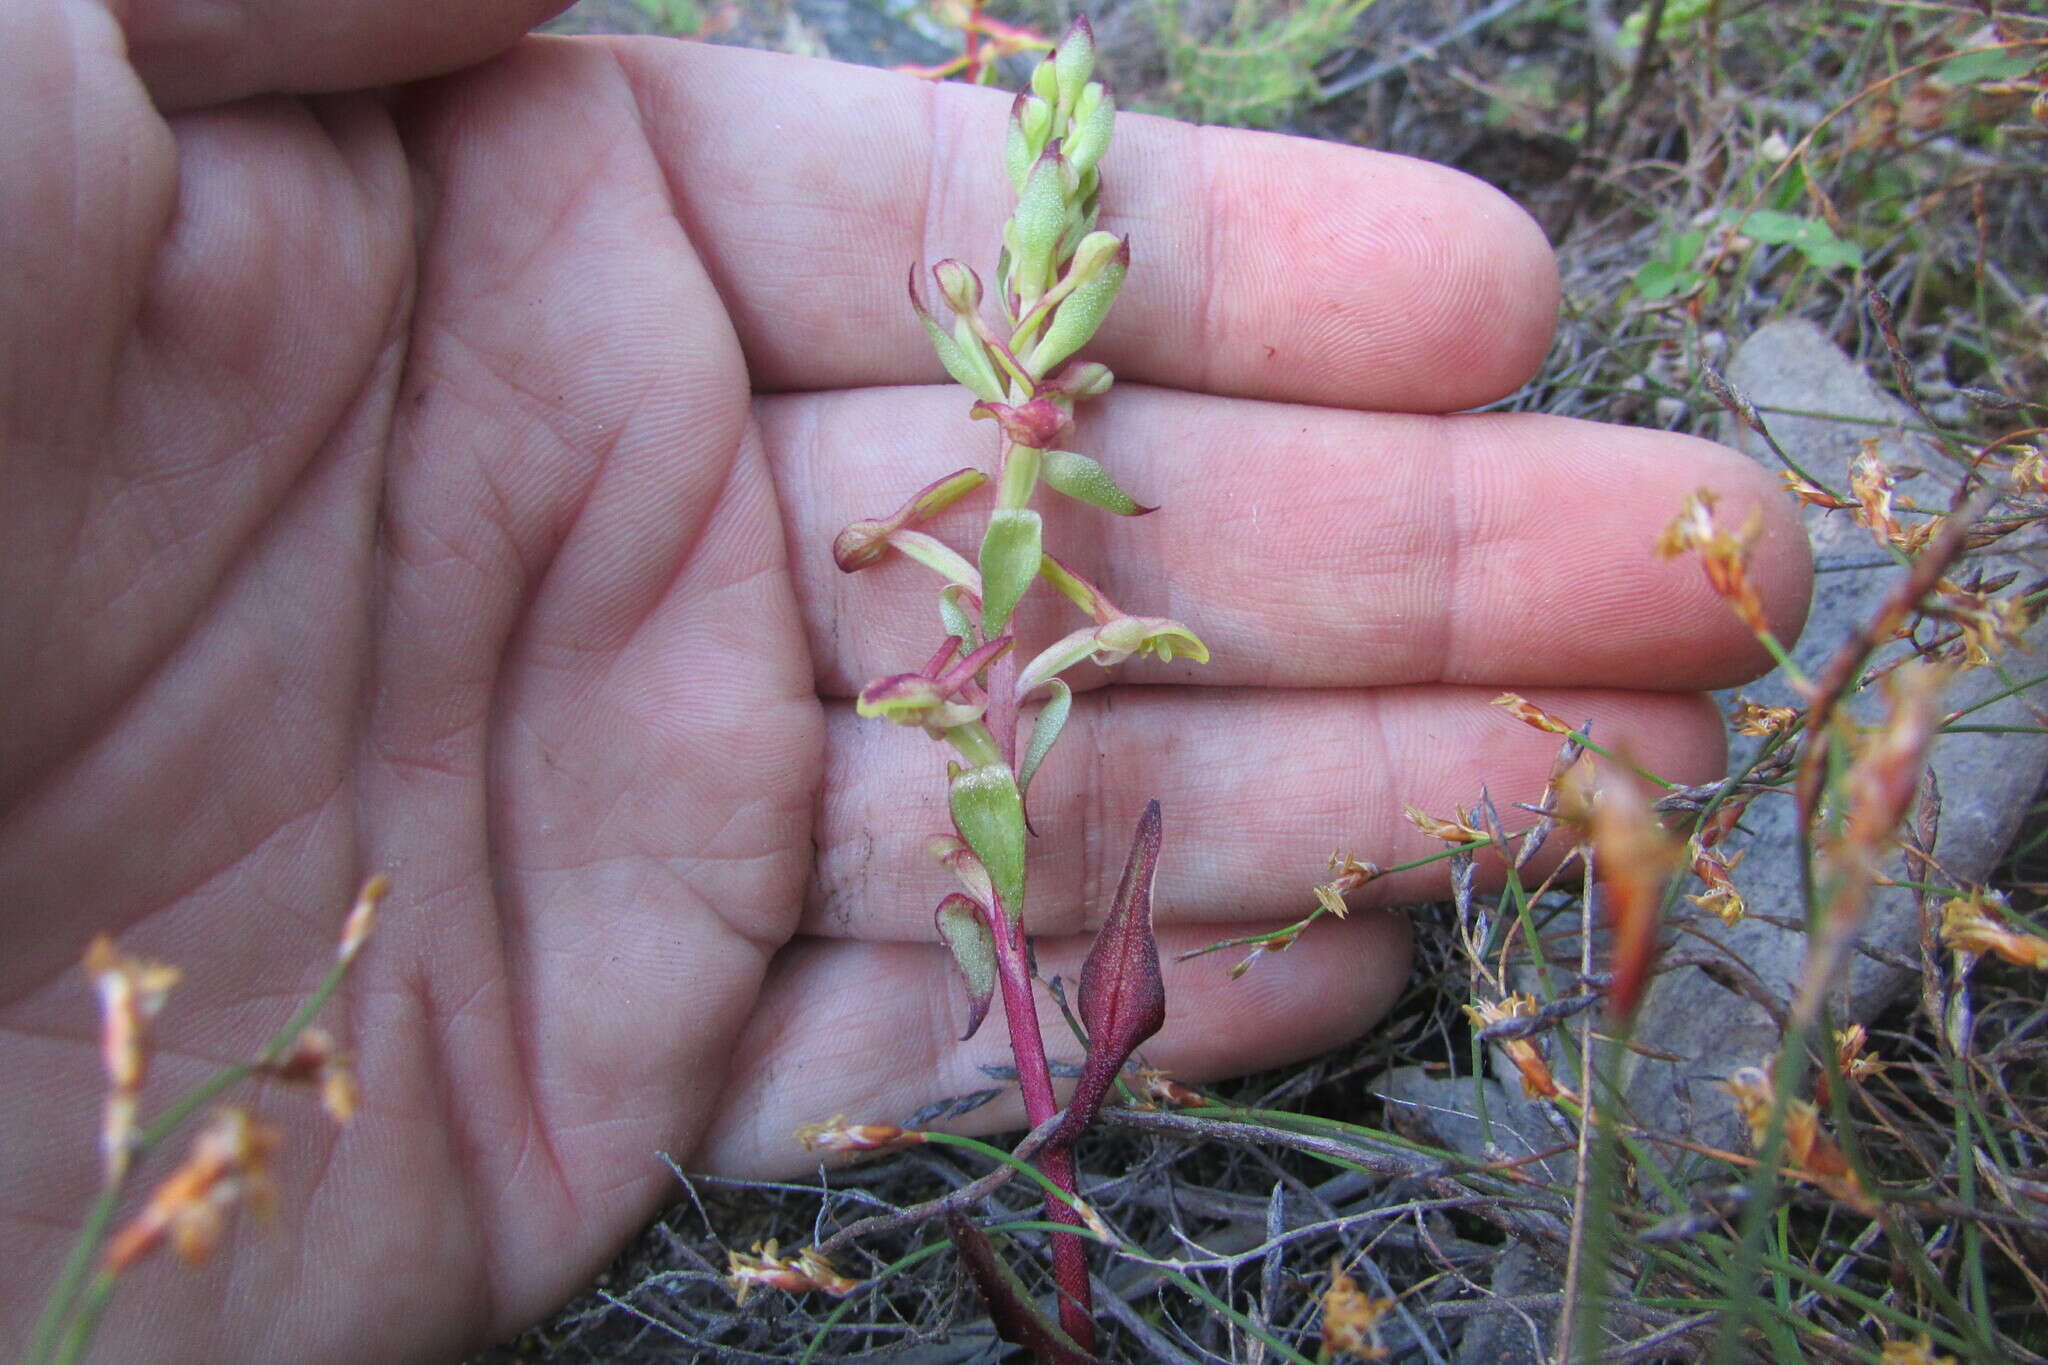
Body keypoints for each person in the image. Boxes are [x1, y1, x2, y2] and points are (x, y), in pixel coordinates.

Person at [0, 2, 1811, 1360]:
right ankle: (1035, 1172)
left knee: (1074, 809)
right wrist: (973, 572)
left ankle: (1068, 1195)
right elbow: (973, 532)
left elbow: (1043, 502)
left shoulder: (1039, 456)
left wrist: (1095, 610)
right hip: (966, 643)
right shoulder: (977, 481)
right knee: (1002, 792)